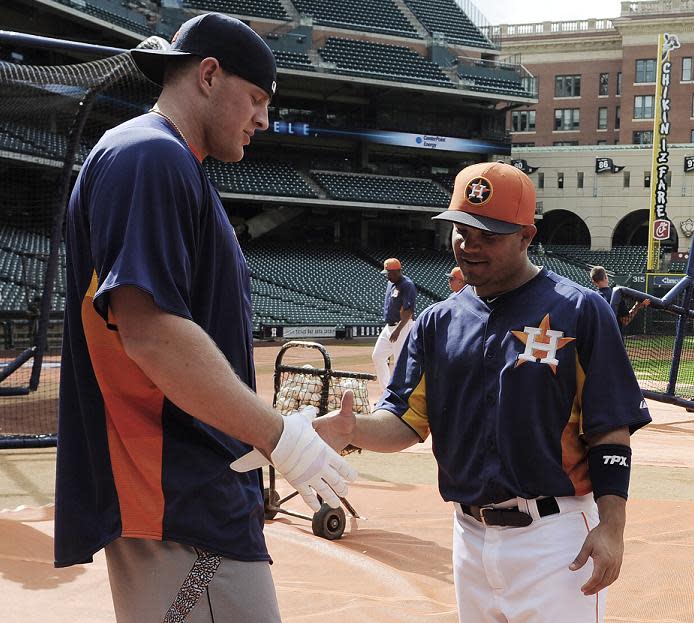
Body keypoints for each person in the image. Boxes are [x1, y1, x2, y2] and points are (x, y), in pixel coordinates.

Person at [55, 13, 356, 623]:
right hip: (178, 499)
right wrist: (279, 436)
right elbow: (152, 334)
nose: (264, 120)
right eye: (256, 98)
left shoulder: (164, 160)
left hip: (187, 494)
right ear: (209, 76)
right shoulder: (150, 156)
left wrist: (271, 428)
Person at [317, 161, 651, 623]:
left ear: (526, 236)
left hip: (555, 541)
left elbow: (610, 429)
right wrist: (355, 428)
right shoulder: (437, 323)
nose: (469, 246)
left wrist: (612, 528)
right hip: (467, 537)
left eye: (488, 235)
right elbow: (405, 422)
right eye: (461, 230)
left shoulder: (580, 310)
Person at [371, 257, 416, 391]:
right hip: (389, 326)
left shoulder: (407, 285)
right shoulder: (391, 283)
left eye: (388, 273)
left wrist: (398, 330)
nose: (387, 276)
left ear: (397, 271)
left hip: (403, 326)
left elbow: (408, 311)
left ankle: (400, 395)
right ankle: (386, 392)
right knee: (377, 356)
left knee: (399, 362)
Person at [590, 265, 649, 329]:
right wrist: (637, 306)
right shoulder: (616, 295)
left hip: (596, 337)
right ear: (606, 277)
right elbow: (625, 321)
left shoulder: (592, 297)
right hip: (614, 337)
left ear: (593, 281)